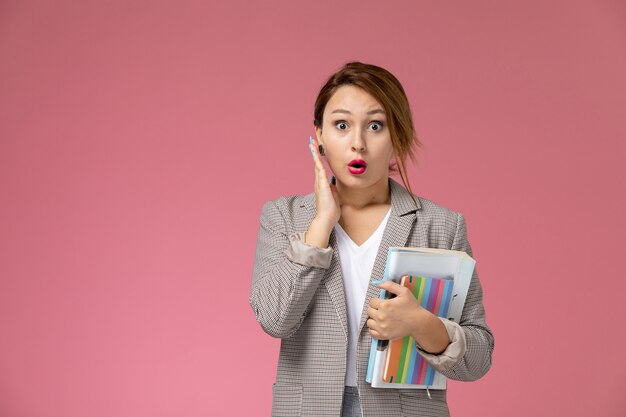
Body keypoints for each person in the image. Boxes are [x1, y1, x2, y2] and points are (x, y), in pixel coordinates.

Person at [250, 62, 494, 417]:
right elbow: (274, 320)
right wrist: (321, 225)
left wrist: (423, 326)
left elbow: (479, 357)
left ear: (397, 136)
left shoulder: (441, 225)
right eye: (342, 125)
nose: (358, 143)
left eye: (375, 126)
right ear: (319, 135)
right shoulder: (284, 217)